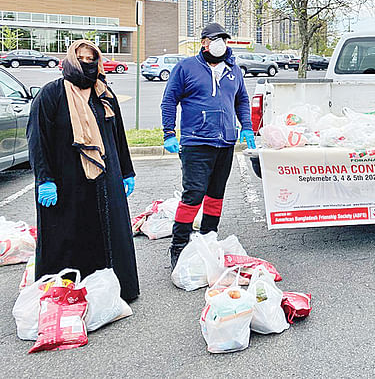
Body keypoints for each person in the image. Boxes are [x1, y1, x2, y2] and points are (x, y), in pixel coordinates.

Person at [27, 39, 139, 302]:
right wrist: (45, 179)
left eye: (92, 59)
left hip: (106, 178)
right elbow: (38, 139)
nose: (87, 64)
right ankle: (65, 294)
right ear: (70, 60)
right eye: (81, 59)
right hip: (67, 180)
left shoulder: (104, 94)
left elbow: (118, 136)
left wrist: (126, 171)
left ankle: (115, 292)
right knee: (68, 236)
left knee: (108, 233)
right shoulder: (51, 94)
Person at [161, 22, 256, 269]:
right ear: (203, 42)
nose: (219, 43)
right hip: (196, 142)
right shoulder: (186, 68)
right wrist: (169, 133)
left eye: (223, 38)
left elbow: (242, 100)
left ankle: (208, 239)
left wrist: (246, 126)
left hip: (225, 142)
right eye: (214, 38)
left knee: (216, 195)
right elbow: (169, 100)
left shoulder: (233, 70)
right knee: (193, 195)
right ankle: (179, 246)